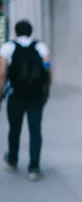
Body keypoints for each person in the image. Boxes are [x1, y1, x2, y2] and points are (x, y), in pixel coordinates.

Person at [0, 19, 52, 181]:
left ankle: (13, 160)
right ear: (31, 31)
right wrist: (46, 90)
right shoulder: (40, 46)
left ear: (15, 32)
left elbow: (2, 74)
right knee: (35, 130)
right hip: (36, 96)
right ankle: (34, 168)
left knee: (14, 128)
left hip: (16, 95)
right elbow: (47, 68)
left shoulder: (8, 47)